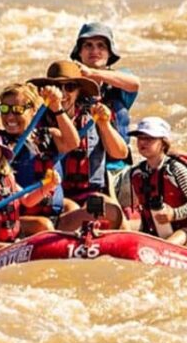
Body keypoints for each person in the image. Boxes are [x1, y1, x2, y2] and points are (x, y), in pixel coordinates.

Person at [29, 60, 127, 231]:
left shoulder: (93, 116)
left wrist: (104, 125)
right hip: (57, 200)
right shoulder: (37, 121)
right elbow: (70, 143)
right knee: (77, 207)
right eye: (58, 88)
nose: (64, 93)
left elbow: (120, 153)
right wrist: (56, 107)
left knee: (111, 209)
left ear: (79, 90)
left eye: (70, 87)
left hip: (91, 194)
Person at [0, 82, 80, 234]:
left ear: (33, 111)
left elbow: (73, 143)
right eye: (4, 109)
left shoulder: (48, 135)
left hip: (51, 214)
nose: (9, 116)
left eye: (17, 110)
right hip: (17, 217)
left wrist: (57, 108)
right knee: (43, 225)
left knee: (74, 209)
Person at [127, 117, 187, 249]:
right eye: (140, 138)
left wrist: (175, 214)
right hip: (155, 231)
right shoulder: (137, 173)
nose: (142, 142)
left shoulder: (176, 169)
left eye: (149, 138)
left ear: (163, 143)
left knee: (166, 247)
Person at [69, 22, 140, 145]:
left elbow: (135, 84)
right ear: (80, 52)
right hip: (81, 160)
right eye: (88, 45)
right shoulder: (69, 83)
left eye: (101, 46)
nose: (94, 50)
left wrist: (91, 73)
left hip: (115, 162)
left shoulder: (120, 79)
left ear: (110, 53)